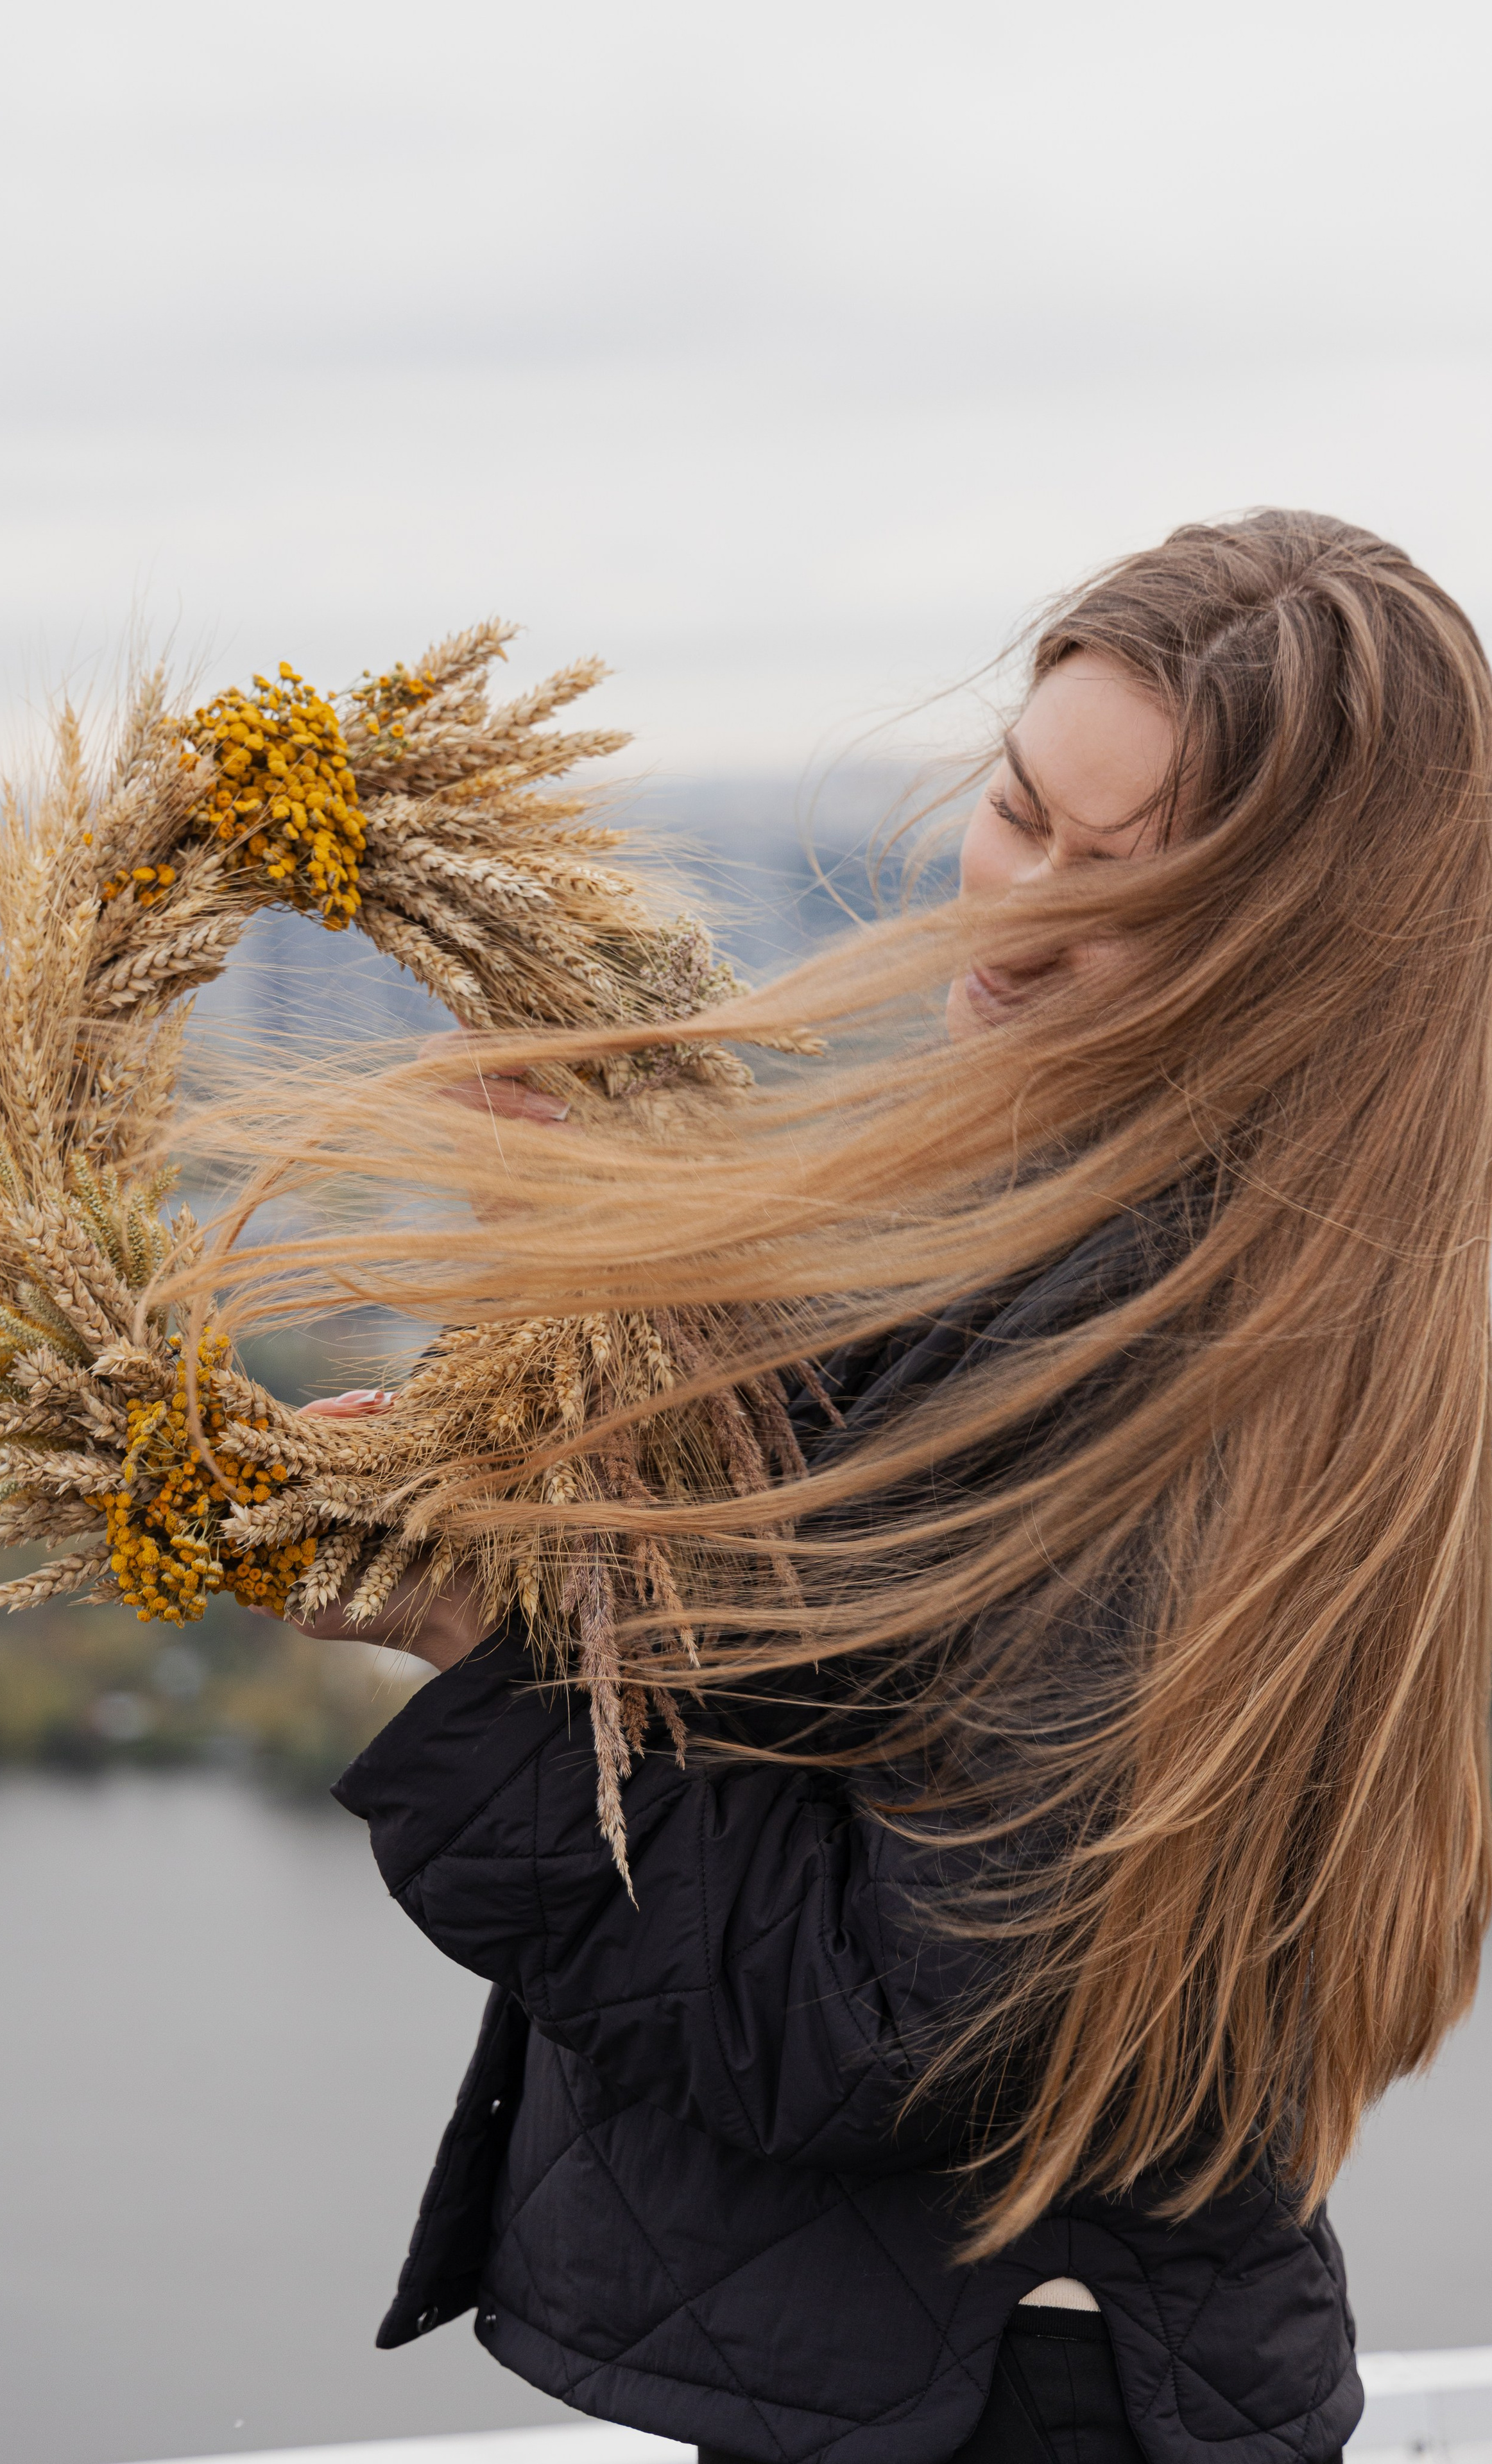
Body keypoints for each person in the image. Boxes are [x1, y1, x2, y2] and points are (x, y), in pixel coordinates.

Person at [243, 512, 1492, 2463]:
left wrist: (483, 1645)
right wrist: (604, 1294)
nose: (1022, 909)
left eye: (1138, 887)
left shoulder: (1219, 1365)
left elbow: (873, 2029)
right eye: (1022, 813)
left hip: (1012, 2404)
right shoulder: (1122, 1194)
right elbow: (870, 1638)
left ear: (1302, 949)